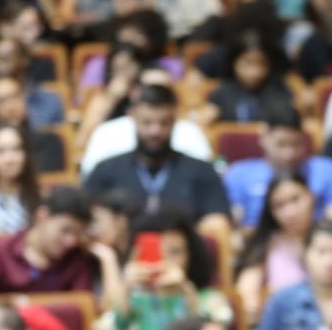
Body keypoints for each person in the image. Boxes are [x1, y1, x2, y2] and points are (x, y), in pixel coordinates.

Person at [82, 84, 232, 238]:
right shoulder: (105, 170)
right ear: (133, 117)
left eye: (163, 123)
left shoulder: (201, 171)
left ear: (174, 120)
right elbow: (85, 220)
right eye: (147, 122)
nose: (155, 131)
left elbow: (217, 221)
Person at [100, 207, 232, 330]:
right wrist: (126, 289)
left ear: (191, 255)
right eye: (155, 251)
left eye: (175, 252)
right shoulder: (134, 300)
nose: (164, 260)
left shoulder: (209, 299)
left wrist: (186, 291)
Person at [222, 107, 332, 229]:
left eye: (295, 144)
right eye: (281, 144)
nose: (289, 154)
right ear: (264, 138)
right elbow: (231, 225)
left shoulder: (326, 170)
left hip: (314, 239)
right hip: (257, 239)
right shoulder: (238, 175)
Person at [0, 186, 99, 295]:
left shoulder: (75, 259)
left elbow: (84, 308)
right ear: (42, 216)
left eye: (77, 234)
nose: (71, 241)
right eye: (65, 230)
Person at [80, 71, 213, 175]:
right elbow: (90, 178)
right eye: (149, 89)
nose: (155, 131)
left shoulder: (190, 133)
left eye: (162, 90)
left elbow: (205, 176)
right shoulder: (107, 133)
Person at [233, 173, 316, 326]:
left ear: (311, 196)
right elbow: (245, 295)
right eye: (279, 205)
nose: (290, 212)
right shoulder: (265, 244)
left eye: (295, 199)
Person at [203, 30, 297, 126]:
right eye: (248, 63)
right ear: (233, 62)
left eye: (262, 63)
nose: (254, 71)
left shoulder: (280, 92)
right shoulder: (222, 93)